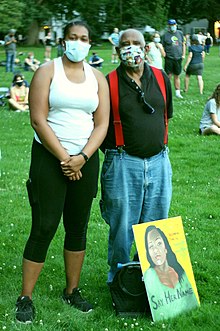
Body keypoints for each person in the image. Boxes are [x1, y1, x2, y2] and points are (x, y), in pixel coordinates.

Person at [15, 21, 110, 324]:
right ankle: (25, 296)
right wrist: (65, 159)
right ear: (63, 40)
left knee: (78, 226)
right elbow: (38, 119)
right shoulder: (47, 71)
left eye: (83, 38)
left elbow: (102, 123)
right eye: (72, 37)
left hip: (85, 159)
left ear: (89, 42)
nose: (78, 42)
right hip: (49, 158)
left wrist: (82, 157)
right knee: (44, 225)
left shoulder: (97, 78)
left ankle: (72, 290)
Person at [100, 28, 173, 284]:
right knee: (122, 227)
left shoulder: (161, 78)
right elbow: (100, 126)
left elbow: (165, 116)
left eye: (136, 43)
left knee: (156, 224)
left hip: (159, 161)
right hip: (122, 161)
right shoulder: (107, 82)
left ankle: (150, 280)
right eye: (125, 44)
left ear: (146, 47)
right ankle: (119, 280)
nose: (132, 48)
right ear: (118, 50)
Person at [144, 226, 199, 320]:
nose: (156, 250)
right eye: (151, 246)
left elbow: (191, 300)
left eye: (159, 243)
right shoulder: (149, 276)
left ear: (166, 248)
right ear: (148, 253)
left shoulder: (180, 271)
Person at [162, 19, 186, 98]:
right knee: (168, 75)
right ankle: (166, 92)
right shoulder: (165, 35)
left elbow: (183, 44)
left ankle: (177, 92)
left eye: (174, 25)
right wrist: (164, 53)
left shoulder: (180, 33)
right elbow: (162, 46)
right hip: (169, 57)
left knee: (177, 75)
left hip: (178, 57)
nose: (172, 27)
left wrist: (183, 54)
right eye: (171, 25)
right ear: (168, 26)